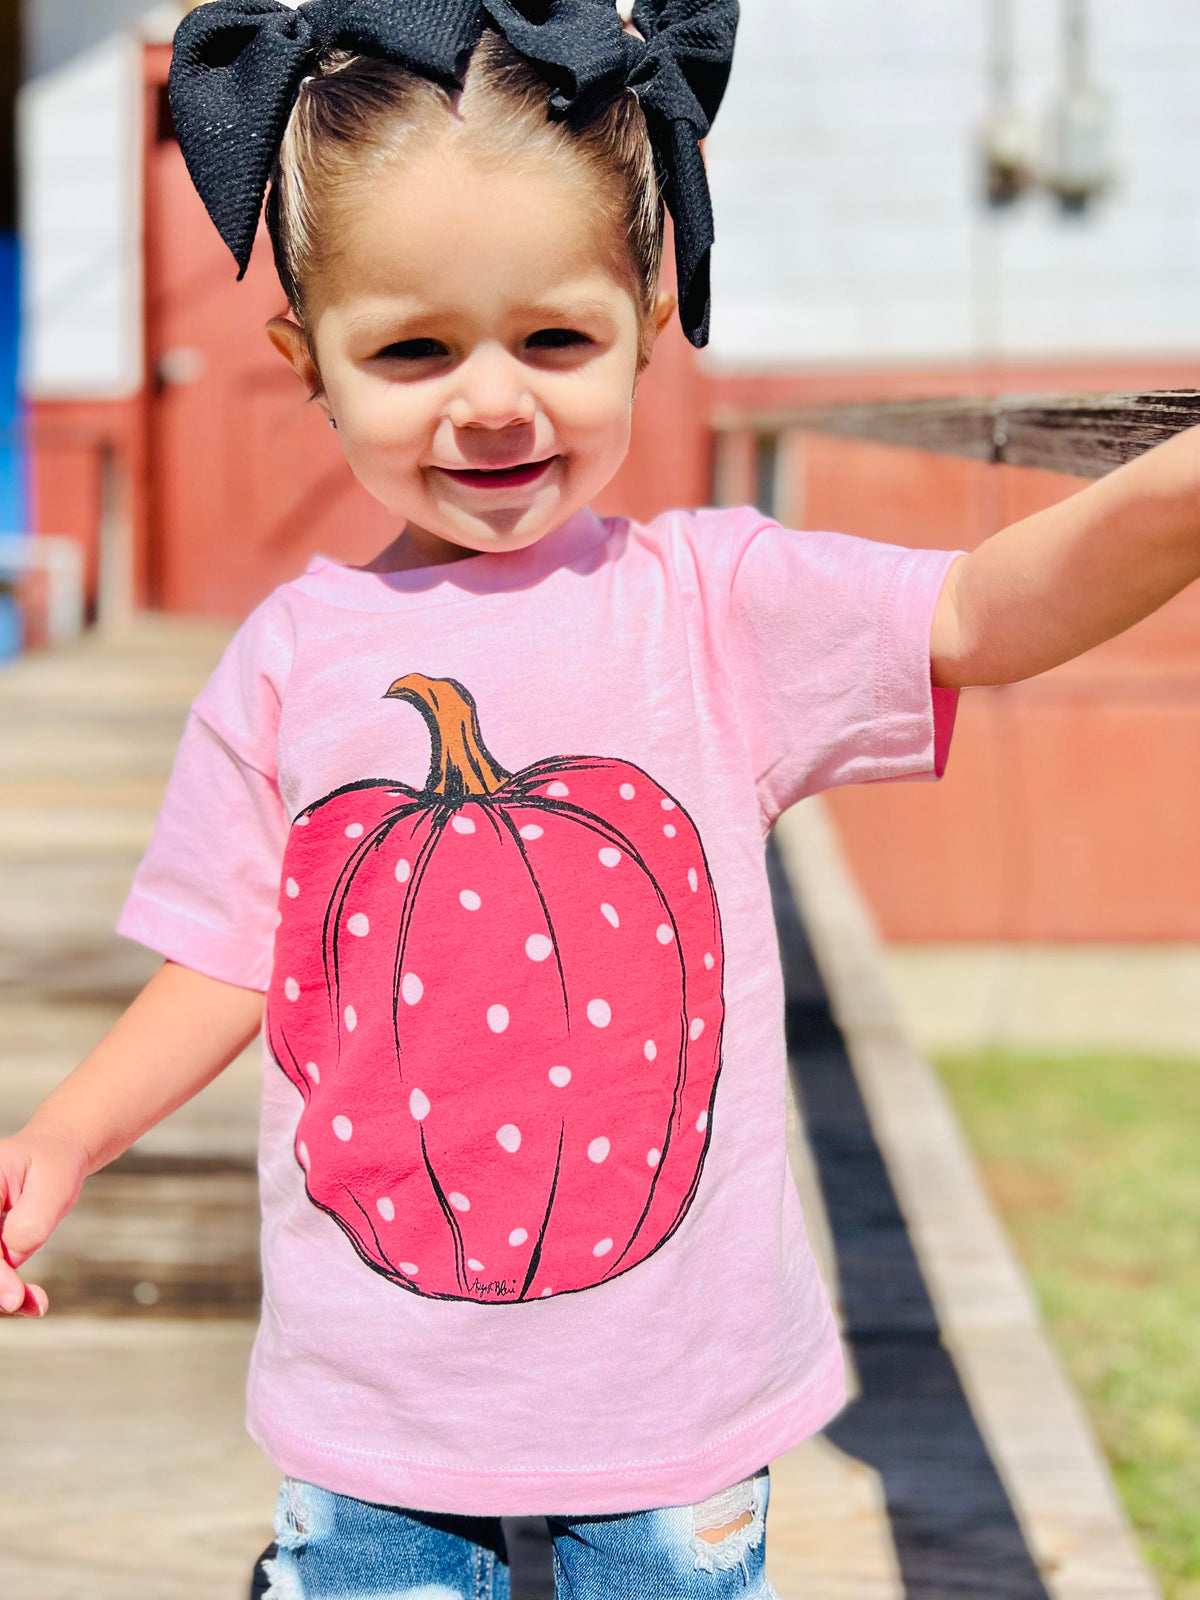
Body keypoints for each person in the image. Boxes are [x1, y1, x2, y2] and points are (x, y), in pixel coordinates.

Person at [3, 1, 1200, 1595]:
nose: (491, 401)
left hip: (675, 1413)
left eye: (553, 340)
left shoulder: (711, 606)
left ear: (647, 316)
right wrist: (74, 1133)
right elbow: (233, 948)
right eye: (413, 349)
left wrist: (1179, 488)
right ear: (310, 363)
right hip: (377, 1417)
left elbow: (978, 612)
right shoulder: (295, 655)